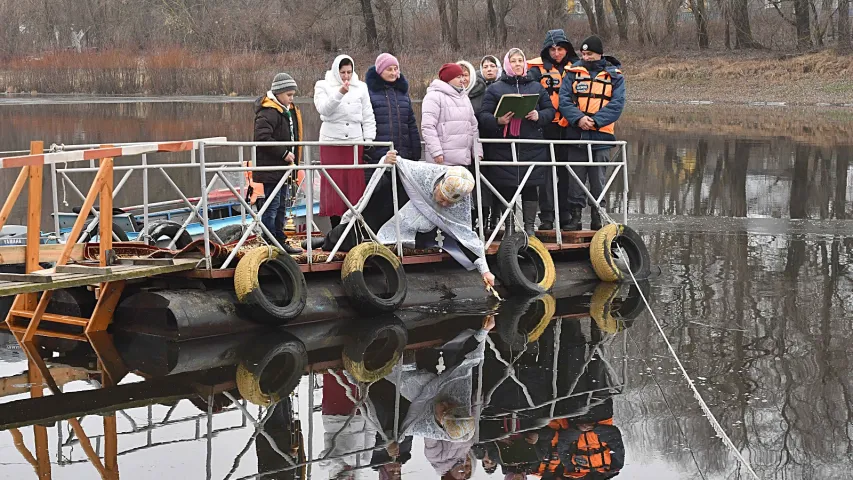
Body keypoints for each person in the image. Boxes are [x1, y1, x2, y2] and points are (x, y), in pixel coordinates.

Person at [374, 158, 495, 288]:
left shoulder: (460, 204)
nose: (444, 204)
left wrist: (485, 271)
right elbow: (397, 166)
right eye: (443, 198)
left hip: (424, 237)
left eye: (450, 202)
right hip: (391, 217)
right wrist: (386, 163)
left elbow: (465, 236)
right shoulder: (423, 173)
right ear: (438, 185)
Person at [477, 48, 556, 236]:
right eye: (513, 61)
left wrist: (539, 115)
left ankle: (529, 229)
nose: (518, 64)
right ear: (507, 65)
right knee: (507, 188)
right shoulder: (495, 88)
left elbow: (550, 111)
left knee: (530, 186)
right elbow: (483, 116)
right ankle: (510, 228)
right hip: (504, 146)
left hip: (532, 145)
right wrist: (498, 120)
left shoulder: (536, 87)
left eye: (520, 60)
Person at [559, 35, 625, 231]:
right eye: (584, 54)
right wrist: (579, 119)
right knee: (575, 179)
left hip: (601, 136)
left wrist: (595, 121)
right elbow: (564, 100)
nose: (586, 58)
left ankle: (598, 215)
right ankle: (575, 217)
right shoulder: (572, 73)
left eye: (590, 54)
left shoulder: (615, 76)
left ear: (600, 54)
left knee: (598, 179)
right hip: (576, 134)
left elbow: (617, 104)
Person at [314, 54, 377, 228]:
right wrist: (340, 93)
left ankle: (353, 226)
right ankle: (336, 228)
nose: (346, 76)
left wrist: (369, 139)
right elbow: (324, 109)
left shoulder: (361, 87)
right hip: (332, 143)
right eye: (342, 72)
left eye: (349, 72)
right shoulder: (323, 85)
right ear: (336, 71)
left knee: (354, 186)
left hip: (354, 143)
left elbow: (368, 114)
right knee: (335, 186)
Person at [528, 29, 579, 231]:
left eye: (560, 49)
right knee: (546, 174)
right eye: (553, 49)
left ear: (567, 49)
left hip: (568, 128)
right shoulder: (535, 69)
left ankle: (565, 214)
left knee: (567, 172)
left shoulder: (576, 68)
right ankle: (547, 216)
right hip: (545, 127)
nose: (556, 53)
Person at [253, 72, 303, 254]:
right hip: (271, 168)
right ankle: (269, 239)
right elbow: (262, 137)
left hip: (283, 169)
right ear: (279, 93)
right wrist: (283, 153)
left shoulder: (284, 111)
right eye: (289, 95)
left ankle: (279, 239)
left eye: (292, 95)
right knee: (272, 205)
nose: (291, 99)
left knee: (282, 204)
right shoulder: (268, 112)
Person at [421, 63, 483, 168]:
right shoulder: (433, 96)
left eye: (463, 76)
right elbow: (428, 127)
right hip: (442, 161)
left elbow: (473, 126)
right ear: (448, 78)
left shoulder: (464, 97)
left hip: (463, 160)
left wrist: (477, 151)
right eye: (458, 77)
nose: (462, 80)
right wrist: (436, 152)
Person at [365, 53, 422, 164]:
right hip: (379, 154)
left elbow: (411, 123)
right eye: (389, 69)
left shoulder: (403, 93)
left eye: (396, 69)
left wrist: (416, 150)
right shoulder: (369, 93)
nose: (393, 73)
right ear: (380, 71)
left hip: (404, 154)